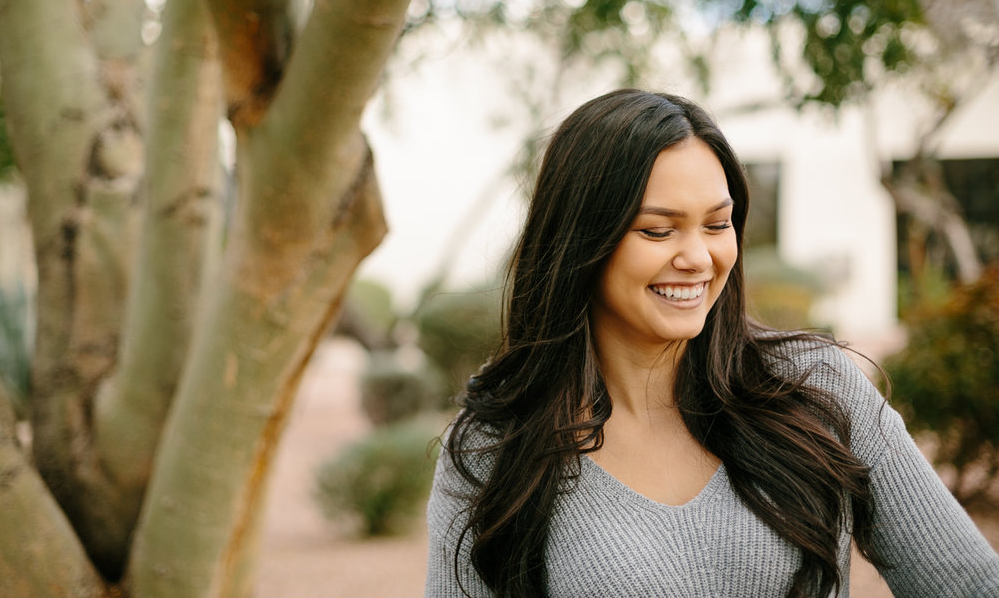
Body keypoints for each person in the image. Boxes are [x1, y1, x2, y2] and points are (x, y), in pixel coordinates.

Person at [423, 89, 999, 597]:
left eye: (717, 224)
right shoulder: (495, 448)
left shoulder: (815, 387)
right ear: (580, 242)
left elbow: (970, 584)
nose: (699, 258)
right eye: (658, 229)